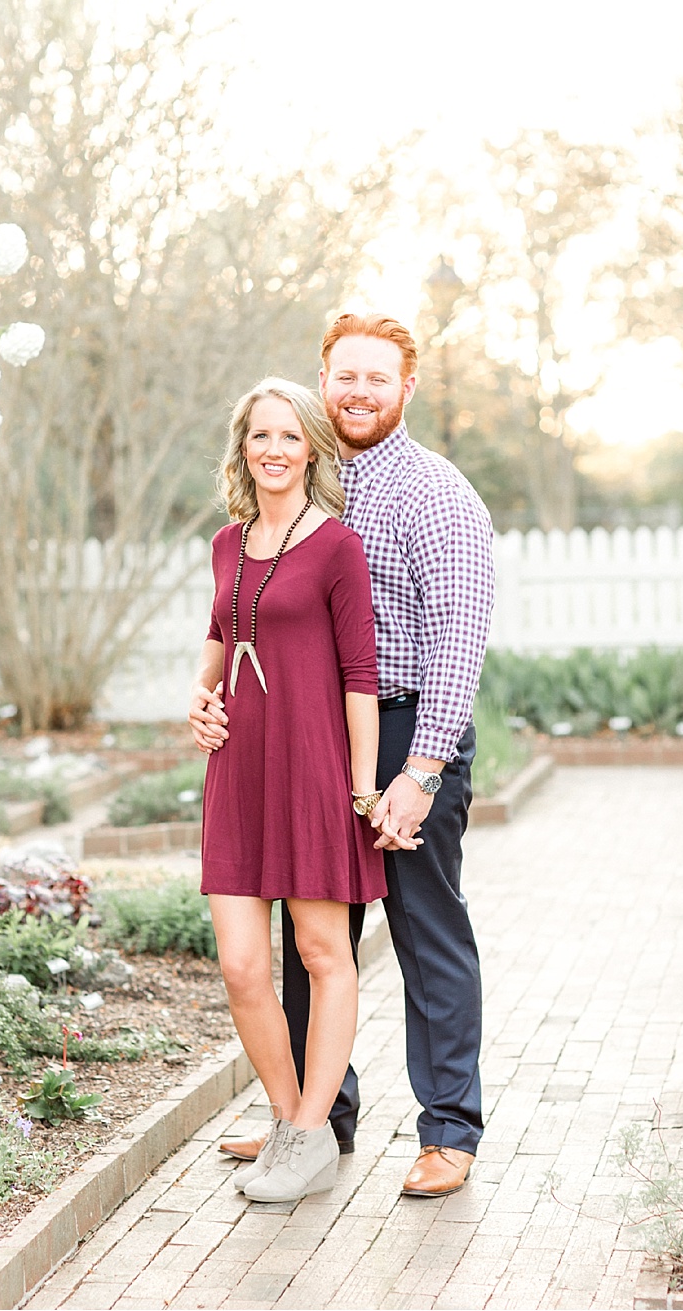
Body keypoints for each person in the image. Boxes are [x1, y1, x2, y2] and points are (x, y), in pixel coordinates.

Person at [192, 314, 496, 1199]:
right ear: (323, 381)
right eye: (345, 377)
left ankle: (448, 1129)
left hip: (406, 734)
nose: (359, 393)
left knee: (425, 931)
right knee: (310, 938)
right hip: (310, 738)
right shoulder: (305, 479)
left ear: (408, 388)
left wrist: (421, 772)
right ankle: (315, 1120)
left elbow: (458, 647)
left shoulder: (436, 494)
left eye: (377, 378)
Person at [195, 377, 385, 1203]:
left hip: (312, 769)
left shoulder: (338, 547)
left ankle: (313, 1135)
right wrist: (198, 701)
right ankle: (287, 1123)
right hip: (237, 772)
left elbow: (360, 679)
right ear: (244, 449)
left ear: (311, 449)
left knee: (322, 953)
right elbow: (219, 636)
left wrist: (362, 791)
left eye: (288, 436)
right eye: (259, 436)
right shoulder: (226, 544)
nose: (272, 450)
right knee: (241, 966)